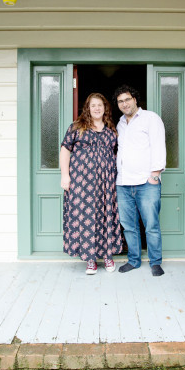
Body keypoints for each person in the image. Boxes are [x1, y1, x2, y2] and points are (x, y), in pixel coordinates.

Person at [60, 93, 122, 275]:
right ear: (87, 108)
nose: (97, 108)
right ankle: (90, 259)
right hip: (82, 184)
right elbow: (65, 150)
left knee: (106, 216)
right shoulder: (77, 127)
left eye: (100, 105)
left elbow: (117, 154)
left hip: (107, 183)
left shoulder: (112, 129)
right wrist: (65, 175)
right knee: (87, 218)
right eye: (93, 105)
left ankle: (108, 256)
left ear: (105, 108)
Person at [114, 85, 166, 276]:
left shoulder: (150, 118)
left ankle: (155, 262)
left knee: (151, 225)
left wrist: (155, 175)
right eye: (120, 101)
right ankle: (134, 261)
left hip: (146, 182)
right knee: (129, 226)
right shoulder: (119, 123)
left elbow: (159, 146)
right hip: (123, 183)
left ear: (135, 99)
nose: (124, 104)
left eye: (127, 99)